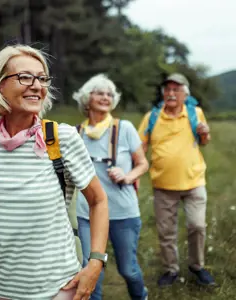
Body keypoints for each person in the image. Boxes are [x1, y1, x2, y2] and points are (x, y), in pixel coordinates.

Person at [0, 44, 110, 300]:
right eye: (25, 77)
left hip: (56, 287)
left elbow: (98, 201)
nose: (36, 85)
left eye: (42, 78)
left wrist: (96, 263)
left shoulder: (62, 138)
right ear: (0, 86)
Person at [73, 74, 149, 300]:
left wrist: (127, 176)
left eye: (109, 94)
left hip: (122, 212)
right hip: (87, 214)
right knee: (90, 271)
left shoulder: (124, 128)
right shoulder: (76, 134)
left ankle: (140, 296)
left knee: (128, 269)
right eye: (99, 92)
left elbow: (143, 163)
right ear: (87, 99)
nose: (105, 97)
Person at [137, 73, 215, 287]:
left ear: (184, 94)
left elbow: (204, 140)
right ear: (163, 93)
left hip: (194, 181)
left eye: (176, 89)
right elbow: (140, 147)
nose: (171, 93)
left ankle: (197, 266)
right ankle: (171, 270)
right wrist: (134, 172)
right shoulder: (152, 117)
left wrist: (205, 133)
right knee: (166, 231)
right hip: (163, 185)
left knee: (197, 226)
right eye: (168, 89)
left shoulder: (195, 112)